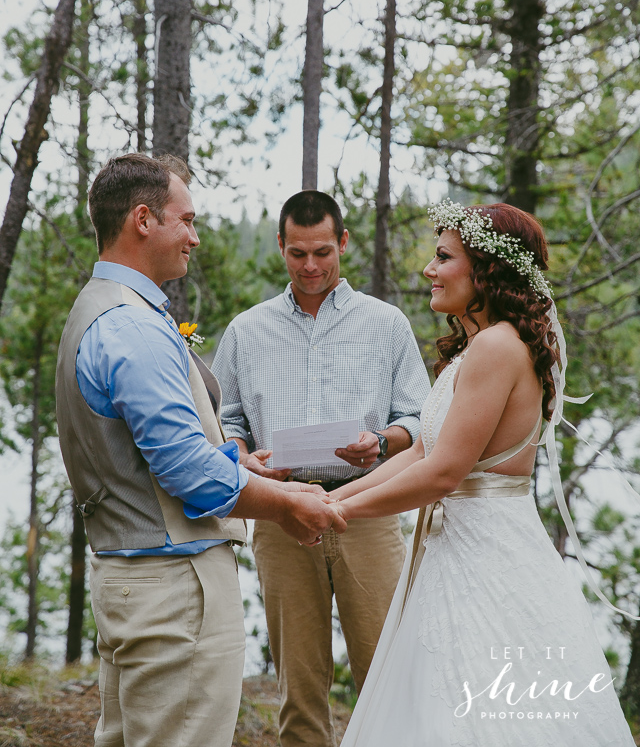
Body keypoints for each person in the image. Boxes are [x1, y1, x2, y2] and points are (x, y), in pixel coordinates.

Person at [55, 154, 343, 747]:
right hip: (172, 589)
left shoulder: (99, 308)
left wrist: (239, 463)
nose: (195, 235)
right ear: (143, 220)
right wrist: (286, 502)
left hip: (128, 576)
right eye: (185, 220)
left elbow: (152, 453)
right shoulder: (132, 327)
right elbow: (186, 469)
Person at [333, 201, 635, 747]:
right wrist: (333, 497)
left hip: (487, 557)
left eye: (443, 257)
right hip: (456, 550)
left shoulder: (496, 346)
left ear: (486, 269)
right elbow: (422, 450)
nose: (429, 269)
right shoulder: (477, 346)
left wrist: (340, 514)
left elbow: (444, 473)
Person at [211, 189, 430, 747]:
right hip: (282, 516)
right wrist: (243, 457)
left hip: (368, 510)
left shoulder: (387, 324)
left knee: (384, 672)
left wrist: (380, 441)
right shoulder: (246, 330)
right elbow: (227, 422)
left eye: (323, 253)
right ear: (281, 246)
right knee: (299, 684)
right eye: (298, 253)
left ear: (344, 245)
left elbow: (419, 422)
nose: (311, 266)